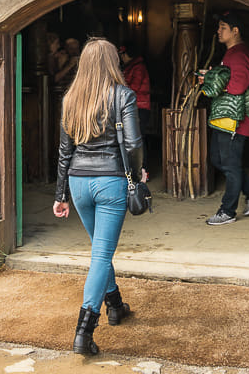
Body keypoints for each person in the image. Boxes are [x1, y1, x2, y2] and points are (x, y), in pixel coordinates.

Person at [53, 38, 145, 356]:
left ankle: (116, 305)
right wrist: (137, 173)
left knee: (99, 251)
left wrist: (60, 194)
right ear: (112, 64)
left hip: (79, 183)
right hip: (111, 183)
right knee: (101, 256)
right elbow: (133, 144)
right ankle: (84, 333)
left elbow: (65, 151)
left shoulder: (71, 98)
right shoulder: (123, 95)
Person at [198, 11, 249, 226]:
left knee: (229, 164)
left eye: (223, 27)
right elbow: (227, 79)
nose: (218, 31)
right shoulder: (231, 54)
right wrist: (210, 77)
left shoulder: (239, 54)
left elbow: (237, 86)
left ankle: (227, 211)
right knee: (220, 160)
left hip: (235, 120)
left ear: (235, 31)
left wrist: (213, 79)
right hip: (225, 118)